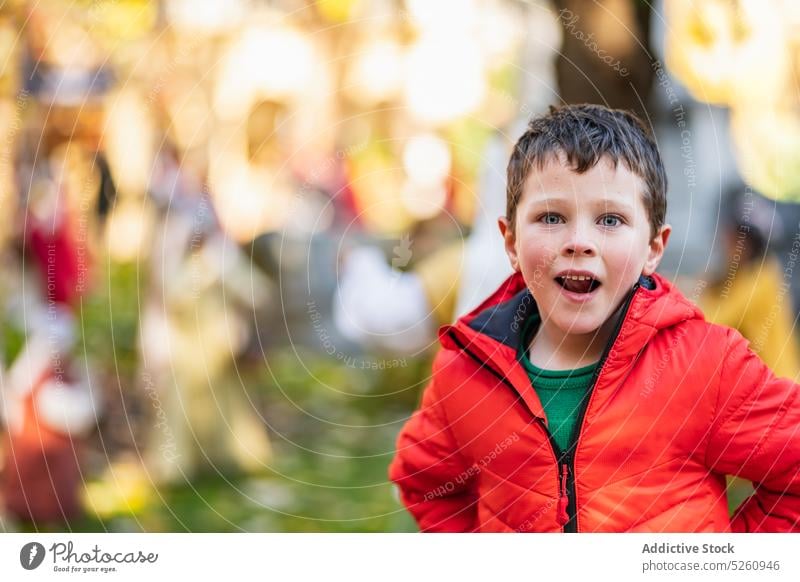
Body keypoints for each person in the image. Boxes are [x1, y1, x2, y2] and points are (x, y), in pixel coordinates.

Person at [388, 104, 800, 533]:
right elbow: (427, 482)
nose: (579, 241)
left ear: (653, 249)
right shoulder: (466, 371)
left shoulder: (706, 365)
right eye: (551, 217)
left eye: (610, 219)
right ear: (510, 242)